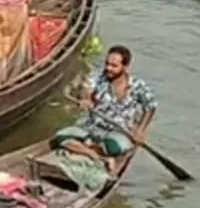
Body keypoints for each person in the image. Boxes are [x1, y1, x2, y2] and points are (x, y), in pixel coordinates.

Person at [52, 45, 156, 175]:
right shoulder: (98, 77)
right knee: (60, 137)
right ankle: (96, 155)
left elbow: (150, 106)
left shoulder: (137, 86)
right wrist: (86, 99)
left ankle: (85, 147)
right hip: (93, 127)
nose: (108, 68)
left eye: (114, 66)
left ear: (125, 67)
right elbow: (86, 90)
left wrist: (140, 130)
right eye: (107, 64)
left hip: (119, 131)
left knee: (113, 147)